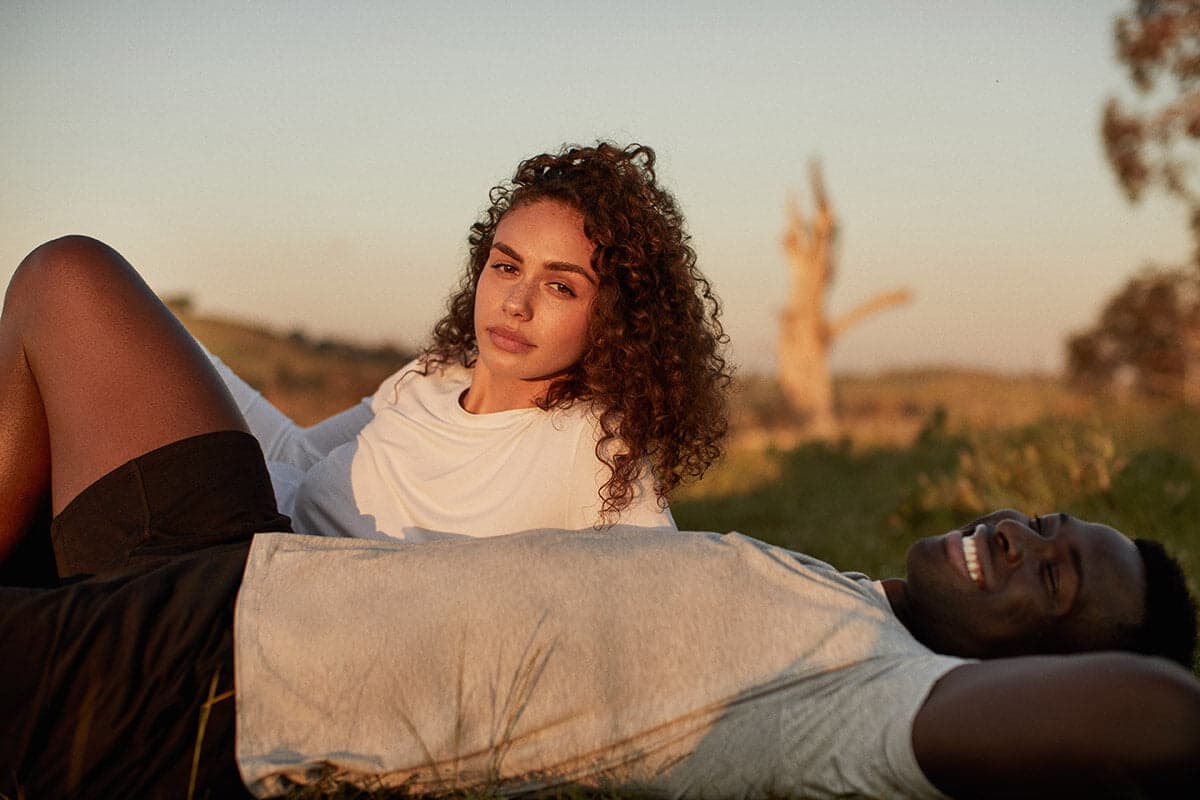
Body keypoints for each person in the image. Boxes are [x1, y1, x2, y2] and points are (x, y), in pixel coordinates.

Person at [1, 239, 1198, 800]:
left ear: (1039, 677)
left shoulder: (867, 696)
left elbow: (1158, 716)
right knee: (67, 282)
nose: (1030, 537)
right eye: (1051, 518)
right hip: (247, 557)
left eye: (1057, 578)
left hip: (230, 686)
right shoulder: (841, 589)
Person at [207, 141, 730, 540]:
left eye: (560, 286)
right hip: (226, 538)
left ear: (617, 317)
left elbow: (658, 599)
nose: (516, 303)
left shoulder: (592, 446)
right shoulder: (431, 376)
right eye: (506, 266)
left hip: (257, 618)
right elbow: (293, 455)